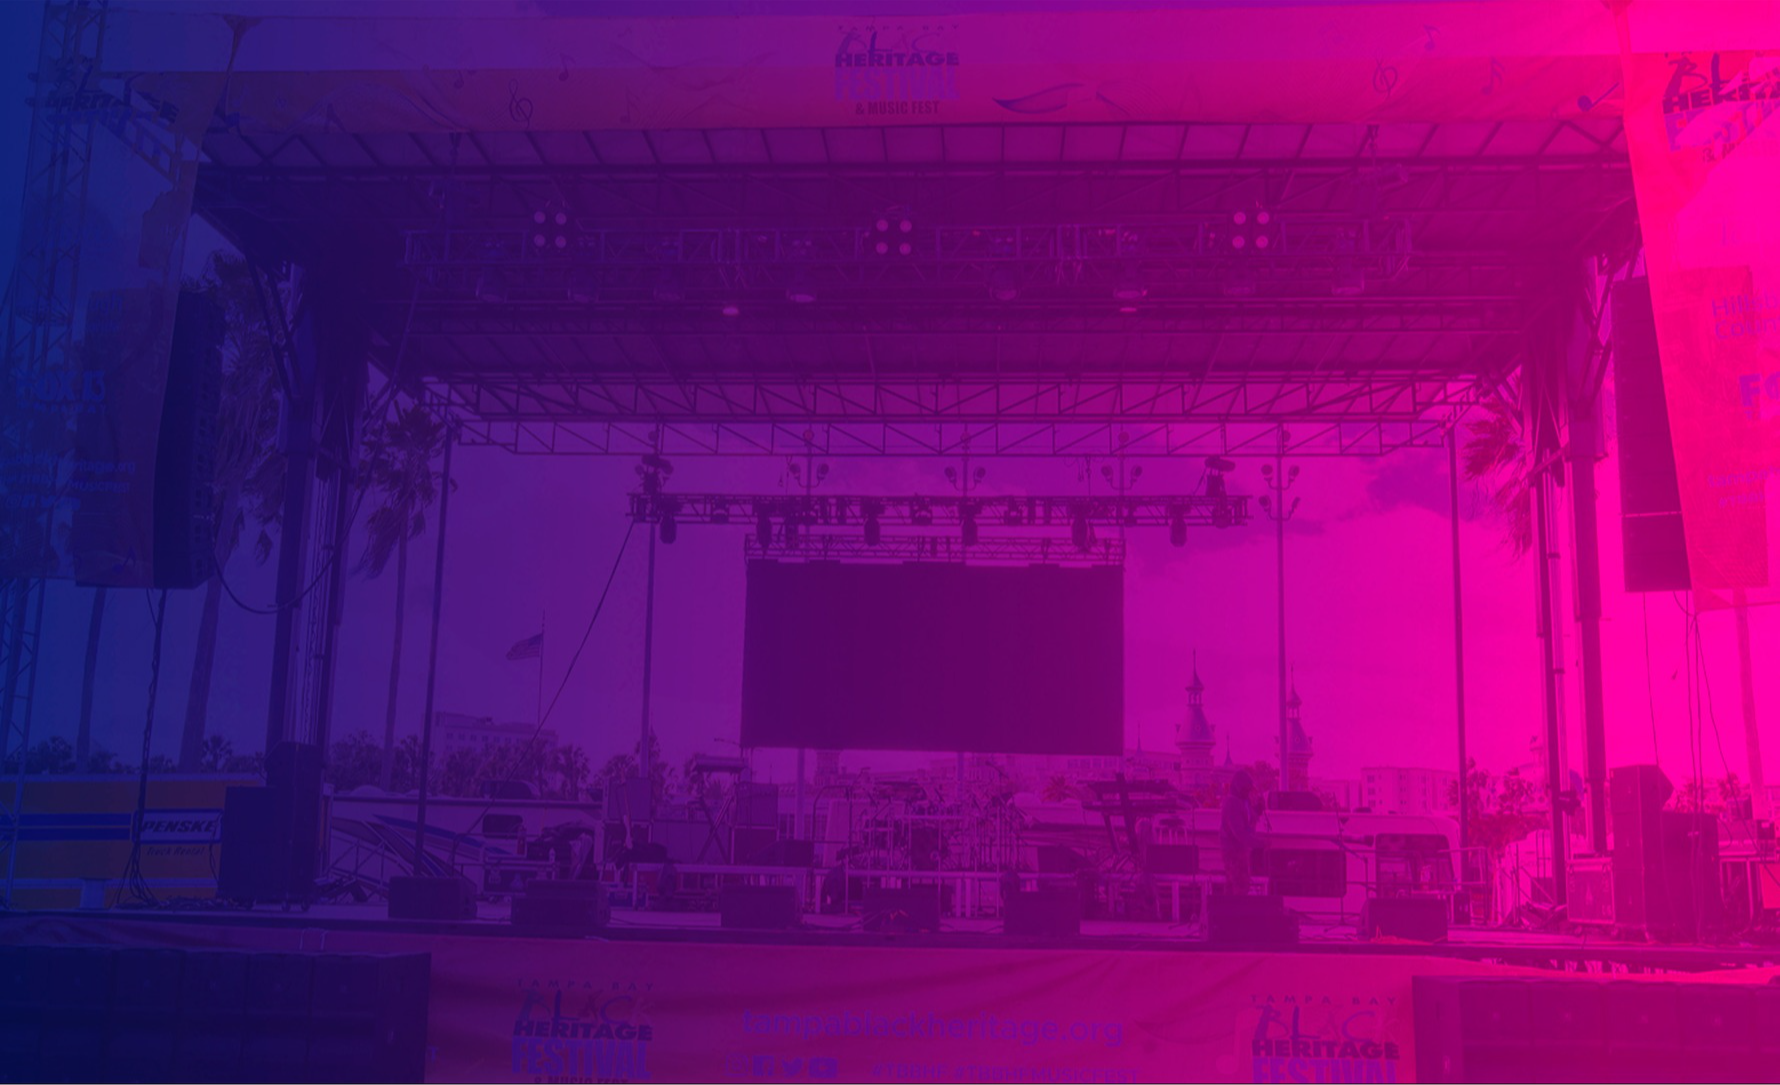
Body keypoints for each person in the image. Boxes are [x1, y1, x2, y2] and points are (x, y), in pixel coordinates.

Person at [1221, 769, 1259, 894]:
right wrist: (1258, 843)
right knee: (1238, 886)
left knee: (1240, 886)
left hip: (1242, 852)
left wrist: (1257, 811)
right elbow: (1239, 832)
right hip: (1233, 852)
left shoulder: (1244, 802)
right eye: (1246, 789)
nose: (1248, 792)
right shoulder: (1232, 803)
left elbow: (1249, 823)